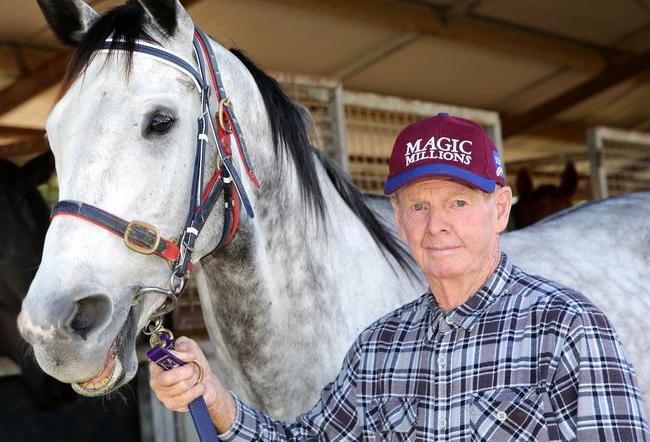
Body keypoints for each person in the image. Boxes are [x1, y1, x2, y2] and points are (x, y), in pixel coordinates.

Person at [150, 113, 649, 440]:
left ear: (500, 209)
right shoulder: (379, 347)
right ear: (399, 217)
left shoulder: (567, 327)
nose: (437, 225)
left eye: (458, 202)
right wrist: (212, 396)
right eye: (418, 205)